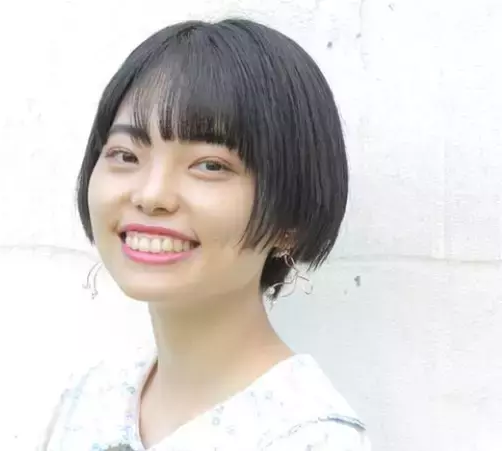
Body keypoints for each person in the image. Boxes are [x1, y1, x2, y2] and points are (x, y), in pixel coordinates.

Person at [42, 18, 370, 451]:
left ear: (290, 220)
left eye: (210, 165)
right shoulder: (89, 399)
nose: (152, 195)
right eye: (125, 155)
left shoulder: (309, 437)